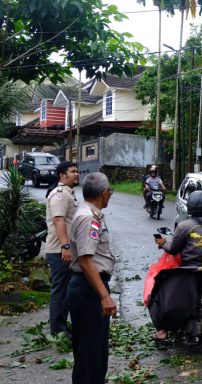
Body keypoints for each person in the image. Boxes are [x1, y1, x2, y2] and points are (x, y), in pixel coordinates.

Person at [152, 190, 202, 340]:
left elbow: (173, 250)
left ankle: (164, 329)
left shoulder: (184, 226)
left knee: (164, 288)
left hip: (189, 270)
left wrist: (163, 244)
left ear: (190, 206)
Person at [67, 172, 117, 384]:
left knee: (95, 352)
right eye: (110, 192)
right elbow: (86, 260)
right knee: (90, 355)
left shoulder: (88, 213)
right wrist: (104, 295)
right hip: (89, 289)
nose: (110, 195)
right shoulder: (89, 218)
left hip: (89, 287)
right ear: (104, 193)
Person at [45, 161, 80, 338]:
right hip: (60, 250)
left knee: (66, 289)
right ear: (62, 175)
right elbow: (59, 221)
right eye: (73, 171)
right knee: (60, 290)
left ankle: (62, 327)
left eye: (77, 171)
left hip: (65, 250)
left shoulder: (68, 193)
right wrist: (66, 246)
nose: (77, 174)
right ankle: (57, 330)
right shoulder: (59, 195)